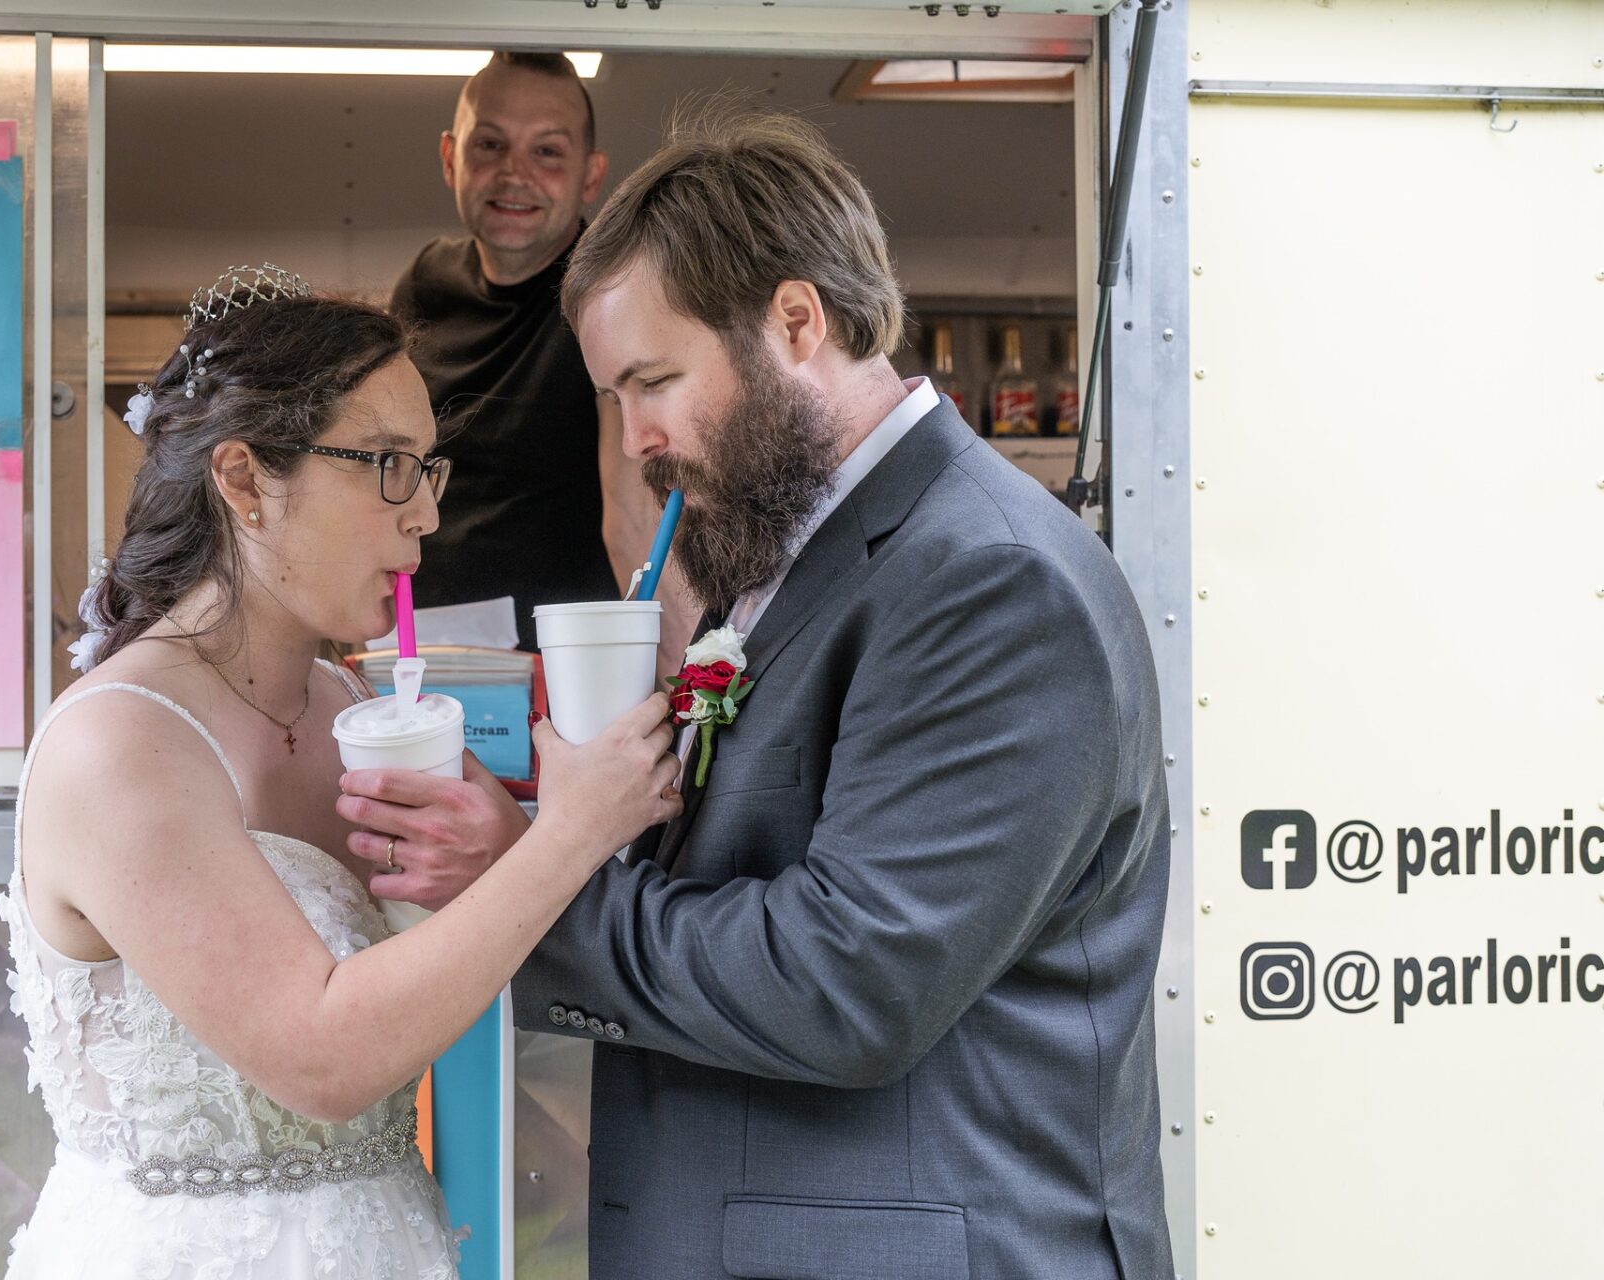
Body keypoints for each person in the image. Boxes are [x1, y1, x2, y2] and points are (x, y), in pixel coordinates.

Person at [345, 112, 1177, 1278]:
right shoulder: (790, 559)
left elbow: (851, 980)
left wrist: (521, 885)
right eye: (614, 397)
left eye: (654, 381)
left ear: (796, 322)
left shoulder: (993, 583)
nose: (637, 439)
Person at [0, 267, 680, 1279]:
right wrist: (572, 834)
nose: (425, 518)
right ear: (243, 479)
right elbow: (322, 1054)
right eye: (386, 464)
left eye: (429, 469)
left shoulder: (356, 711)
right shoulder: (120, 745)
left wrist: (509, 849)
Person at [390, 51, 692, 658]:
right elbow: (378, 478)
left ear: (591, 176)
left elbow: (634, 519)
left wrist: (678, 690)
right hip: (420, 660)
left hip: (569, 672)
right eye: (490, 145)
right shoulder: (424, 283)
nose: (514, 173)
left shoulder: (613, 293)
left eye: (547, 151)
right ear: (451, 158)